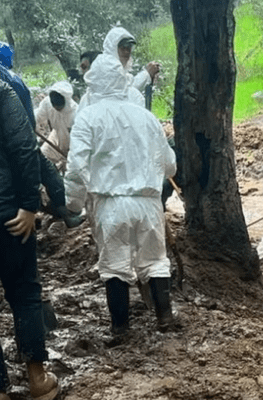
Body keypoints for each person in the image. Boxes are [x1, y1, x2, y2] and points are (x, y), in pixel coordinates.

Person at [64, 52, 177, 334]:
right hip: (149, 203)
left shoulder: (88, 117)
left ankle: (121, 329)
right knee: (155, 261)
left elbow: (76, 167)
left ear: (93, 82)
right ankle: (165, 318)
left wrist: (72, 204)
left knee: (114, 266)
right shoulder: (146, 117)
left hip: (110, 203)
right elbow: (170, 165)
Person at [0, 81, 60, 400]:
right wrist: (28, 204)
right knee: (24, 292)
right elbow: (25, 148)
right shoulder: (2, 92)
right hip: (9, 215)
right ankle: (38, 379)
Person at [0, 48, 82, 229]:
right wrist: (33, 135)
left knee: (43, 174)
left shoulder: (75, 112)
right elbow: (34, 117)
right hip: (23, 139)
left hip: (19, 141)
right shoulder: (12, 80)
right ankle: (57, 210)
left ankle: (59, 210)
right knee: (47, 173)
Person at [77, 27, 159, 114]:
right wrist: (146, 74)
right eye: (123, 47)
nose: (127, 52)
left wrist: (147, 75)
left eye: (129, 48)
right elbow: (119, 89)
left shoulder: (132, 91)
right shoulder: (103, 75)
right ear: (112, 48)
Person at [35, 81, 78, 166]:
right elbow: (38, 119)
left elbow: (78, 140)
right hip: (56, 137)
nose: (55, 107)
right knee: (42, 158)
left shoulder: (75, 113)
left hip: (72, 144)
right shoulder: (47, 103)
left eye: (58, 105)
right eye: (53, 105)